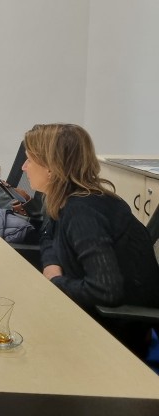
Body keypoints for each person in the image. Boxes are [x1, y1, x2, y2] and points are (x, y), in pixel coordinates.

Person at [23, 123, 159, 356]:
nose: (24, 167)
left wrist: (56, 281)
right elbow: (48, 234)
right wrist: (51, 264)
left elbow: (106, 290)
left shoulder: (82, 212)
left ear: (51, 169)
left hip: (114, 333)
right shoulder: (67, 197)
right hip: (88, 311)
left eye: (29, 160)